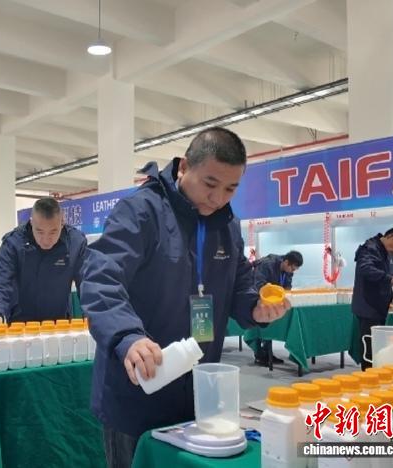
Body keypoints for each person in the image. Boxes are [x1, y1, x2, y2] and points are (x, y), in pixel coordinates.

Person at [79, 127, 290, 468]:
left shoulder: (227, 226)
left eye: (230, 189)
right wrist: (128, 337)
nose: (218, 198)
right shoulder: (141, 212)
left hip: (198, 393)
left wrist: (255, 308)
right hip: (139, 387)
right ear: (183, 168)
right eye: (210, 184)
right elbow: (101, 278)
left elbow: (239, 284)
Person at [0, 197, 87, 324]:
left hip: (59, 324)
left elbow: (87, 283)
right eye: (39, 231)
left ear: (62, 223)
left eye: (53, 232)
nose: (46, 240)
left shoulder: (75, 243)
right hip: (20, 323)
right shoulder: (14, 243)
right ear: (31, 223)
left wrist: (92, 316)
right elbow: (0, 281)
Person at [353, 227, 393, 371]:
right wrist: (390, 279)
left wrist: (391, 288)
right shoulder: (369, 248)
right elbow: (365, 269)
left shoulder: (388, 252)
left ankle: (376, 374)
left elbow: (387, 275)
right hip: (368, 306)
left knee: (378, 346)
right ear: (390, 236)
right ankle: (368, 375)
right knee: (369, 345)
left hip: (380, 307)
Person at [251, 251, 303, 367]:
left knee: (272, 322)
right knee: (260, 322)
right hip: (257, 297)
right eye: (292, 269)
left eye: (295, 270)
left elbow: (287, 287)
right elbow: (257, 284)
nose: (292, 272)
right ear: (286, 262)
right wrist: (270, 292)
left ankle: (268, 353)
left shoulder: (288, 270)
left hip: (273, 299)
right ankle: (259, 354)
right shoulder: (267, 264)